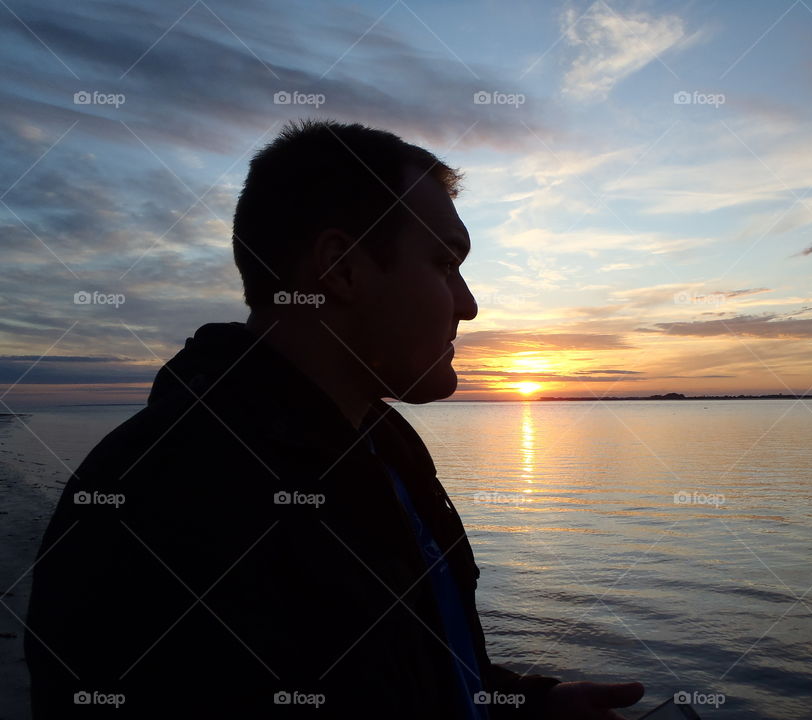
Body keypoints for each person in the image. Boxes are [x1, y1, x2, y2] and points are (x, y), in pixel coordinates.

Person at [25, 119, 645, 718]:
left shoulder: (381, 444)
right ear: (341, 268)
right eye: (444, 262)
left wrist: (526, 706)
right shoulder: (163, 500)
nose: (469, 304)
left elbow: (400, 665)